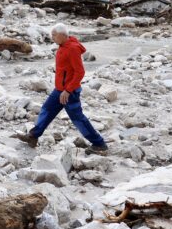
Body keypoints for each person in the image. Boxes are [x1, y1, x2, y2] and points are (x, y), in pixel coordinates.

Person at [16, 23, 108, 153]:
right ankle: (33, 136)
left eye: (54, 35)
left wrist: (68, 90)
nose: (52, 37)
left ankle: (99, 143)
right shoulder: (63, 46)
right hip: (59, 89)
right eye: (51, 34)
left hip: (69, 92)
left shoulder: (72, 48)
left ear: (63, 35)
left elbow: (80, 72)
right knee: (46, 110)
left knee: (78, 119)